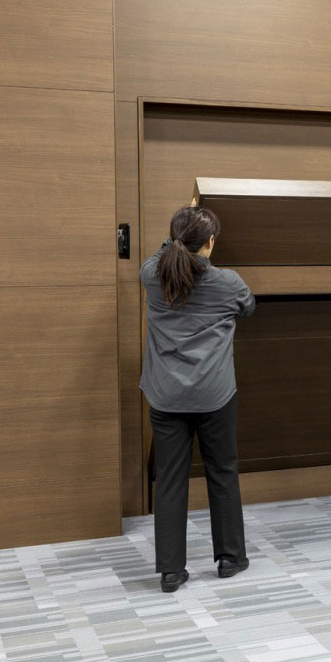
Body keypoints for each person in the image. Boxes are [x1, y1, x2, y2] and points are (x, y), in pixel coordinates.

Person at [140, 202, 255, 592]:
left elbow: (163, 254)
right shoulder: (227, 283)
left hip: (165, 395)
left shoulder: (151, 275)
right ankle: (230, 558)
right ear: (210, 242)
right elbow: (249, 307)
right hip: (214, 394)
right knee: (222, 472)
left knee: (170, 479)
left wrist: (178, 230)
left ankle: (171, 571)